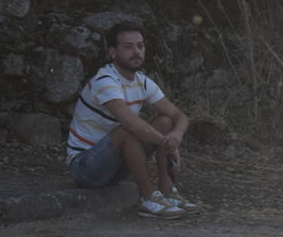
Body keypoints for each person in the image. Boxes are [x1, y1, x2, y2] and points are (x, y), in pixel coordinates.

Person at [66, 26, 201, 219]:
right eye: (128, 47)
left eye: (140, 46)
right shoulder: (105, 80)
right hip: (86, 167)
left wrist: (176, 136)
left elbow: (179, 115)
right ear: (113, 52)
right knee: (128, 130)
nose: (136, 52)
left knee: (165, 121)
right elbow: (131, 124)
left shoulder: (142, 82)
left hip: (116, 165)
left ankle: (167, 190)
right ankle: (148, 198)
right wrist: (166, 143)